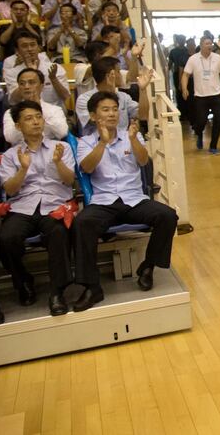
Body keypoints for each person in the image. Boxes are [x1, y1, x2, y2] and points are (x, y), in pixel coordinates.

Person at [72, 92, 178, 311]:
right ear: (93, 116)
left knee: (167, 215)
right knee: (82, 223)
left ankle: (148, 267)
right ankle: (92, 287)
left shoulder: (132, 135)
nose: (112, 114)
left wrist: (132, 140)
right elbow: (87, 168)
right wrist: (102, 143)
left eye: (115, 109)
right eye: (105, 110)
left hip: (133, 199)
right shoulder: (85, 142)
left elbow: (142, 161)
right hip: (104, 201)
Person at [0, 101, 75, 316]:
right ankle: (23, 282)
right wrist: (23, 169)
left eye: (38, 117)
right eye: (28, 118)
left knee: (58, 233)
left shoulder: (62, 148)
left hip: (55, 205)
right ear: (18, 126)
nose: (35, 122)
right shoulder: (10, 156)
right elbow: (11, 190)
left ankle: (57, 292)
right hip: (23, 206)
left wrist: (59, 163)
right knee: (6, 237)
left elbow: (70, 181)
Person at [76, 57, 152, 133]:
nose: (121, 75)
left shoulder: (124, 97)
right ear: (109, 75)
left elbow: (143, 115)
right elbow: (95, 121)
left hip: (123, 142)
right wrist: (110, 92)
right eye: (118, 71)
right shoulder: (84, 99)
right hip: (97, 143)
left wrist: (142, 90)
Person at [181, 35, 220, 154]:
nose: (209, 46)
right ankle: (199, 133)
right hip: (200, 96)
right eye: (207, 44)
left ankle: (213, 146)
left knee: (218, 120)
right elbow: (185, 75)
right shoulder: (193, 59)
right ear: (201, 45)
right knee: (201, 121)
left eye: (211, 43)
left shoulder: (217, 58)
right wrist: (184, 88)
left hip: (216, 94)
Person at [3, 68, 68, 144]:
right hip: (22, 152)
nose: (26, 87)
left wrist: (40, 110)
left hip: (51, 152)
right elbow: (10, 138)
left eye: (31, 82)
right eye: (22, 83)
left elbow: (62, 133)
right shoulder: (10, 112)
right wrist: (21, 115)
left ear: (41, 86)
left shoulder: (55, 110)